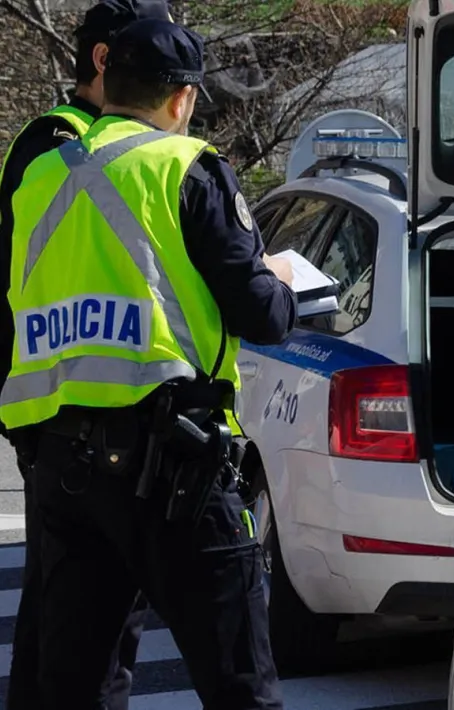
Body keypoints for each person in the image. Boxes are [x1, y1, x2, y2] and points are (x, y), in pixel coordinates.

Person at [2, 17, 295, 710]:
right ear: (182, 98)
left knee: (75, 690)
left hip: (63, 470)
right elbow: (265, 317)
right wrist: (277, 277)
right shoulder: (186, 166)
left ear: (109, 82)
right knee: (240, 686)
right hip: (177, 471)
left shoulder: (38, 172)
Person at [0, 3, 174, 708]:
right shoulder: (60, 145)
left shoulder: (72, 145)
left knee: (64, 630)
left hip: (71, 415)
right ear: (105, 61)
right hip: (65, 419)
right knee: (83, 637)